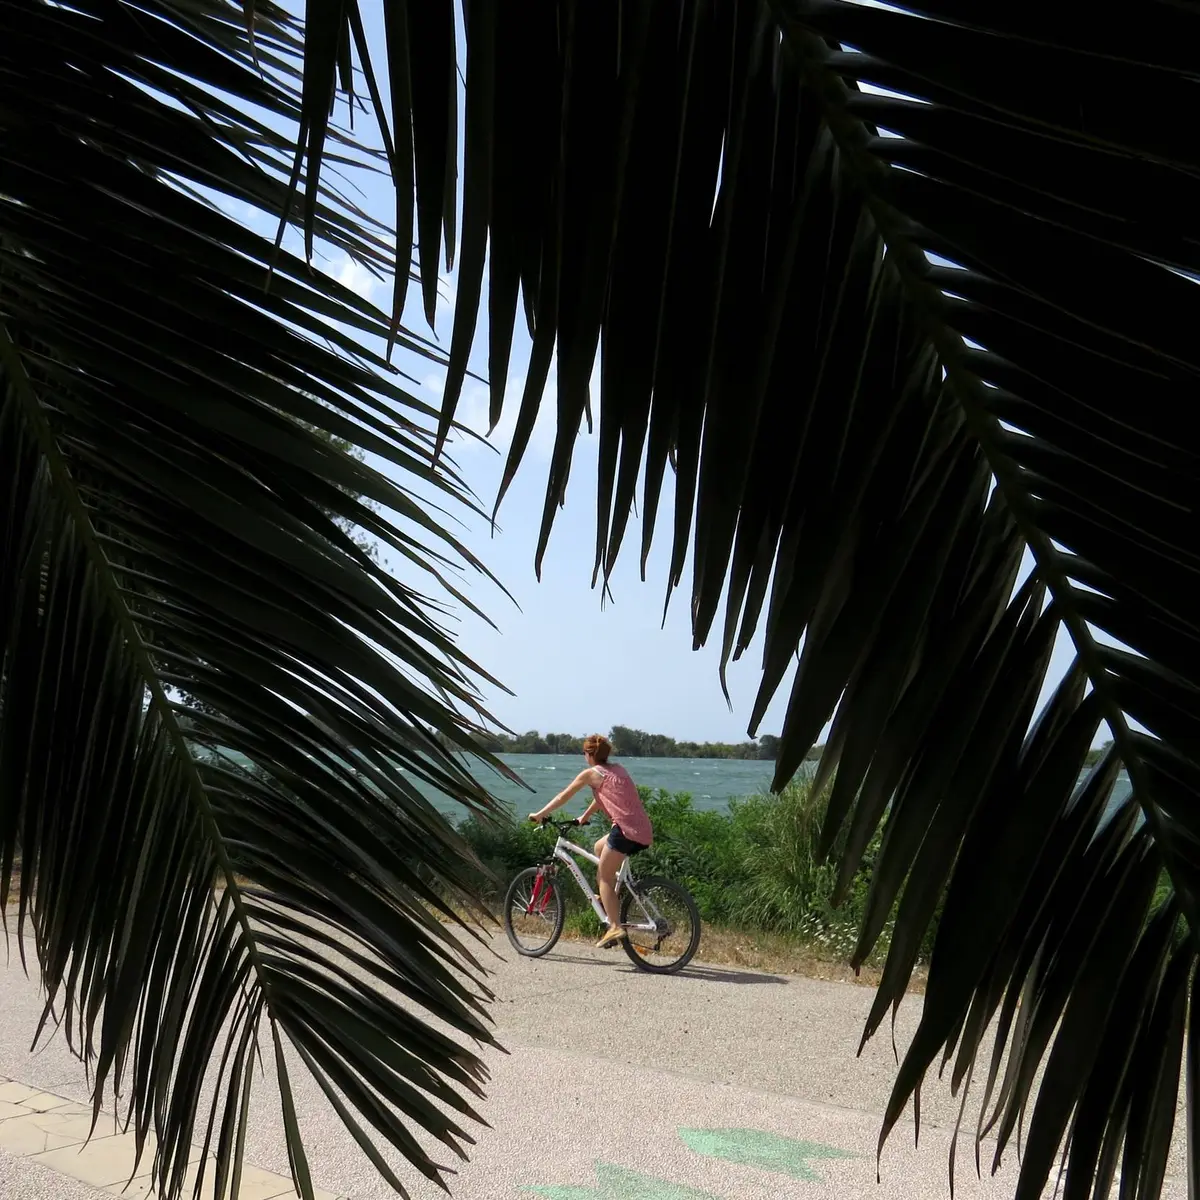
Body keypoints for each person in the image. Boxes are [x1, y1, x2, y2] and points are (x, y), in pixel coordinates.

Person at [529, 734, 653, 948]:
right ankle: (611, 899)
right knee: (598, 846)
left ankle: (615, 926)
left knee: (603, 877)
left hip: (623, 831)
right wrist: (584, 817)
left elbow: (563, 796)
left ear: (589, 754)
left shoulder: (590, 774)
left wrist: (540, 814)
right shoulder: (618, 770)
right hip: (642, 830)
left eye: (584, 753)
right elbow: (606, 796)